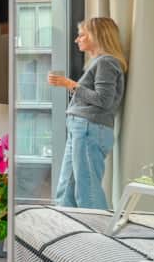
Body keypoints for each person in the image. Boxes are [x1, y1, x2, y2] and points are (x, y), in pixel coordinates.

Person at [48, 17, 127, 210]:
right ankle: (64, 228)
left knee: (87, 190)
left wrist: (70, 84)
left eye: (82, 35)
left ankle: (98, 236)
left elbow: (103, 100)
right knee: (66, 187)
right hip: (82, 128)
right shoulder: (99, 62)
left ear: (97, 36)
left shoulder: (107, 62)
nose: (77, 39)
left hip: (89, 128)